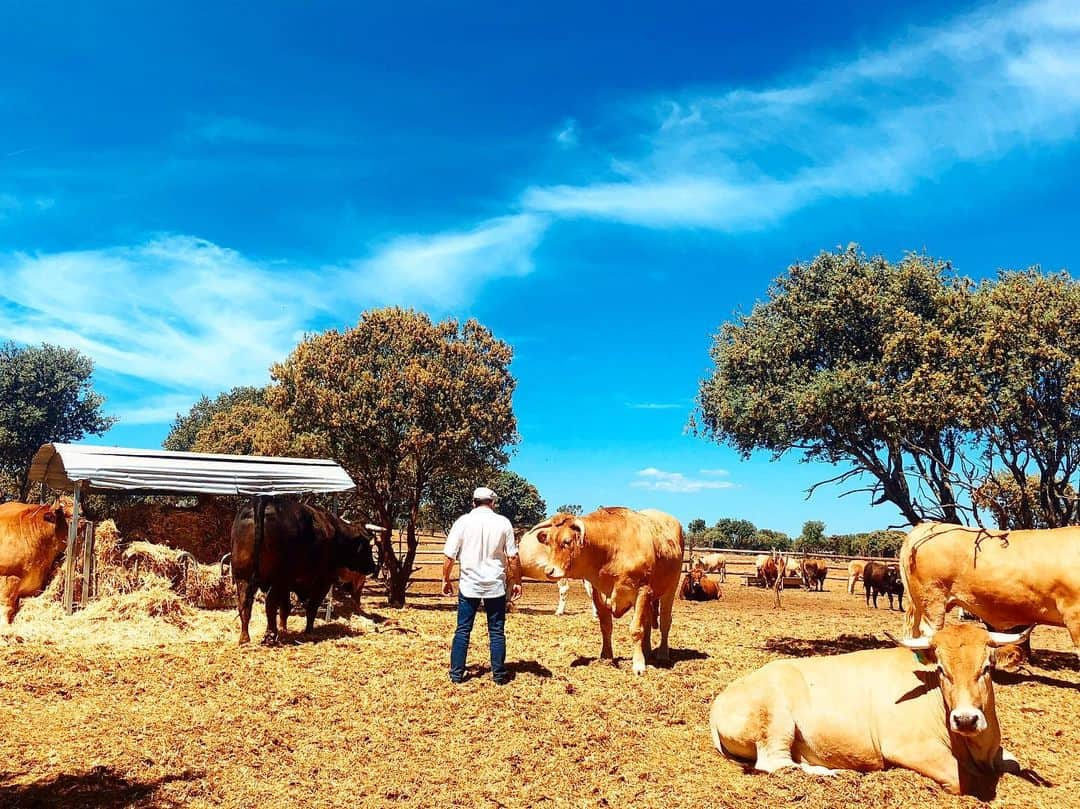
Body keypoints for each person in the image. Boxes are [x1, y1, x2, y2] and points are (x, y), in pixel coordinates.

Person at [442, 486, 522, 684]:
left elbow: (449, 555)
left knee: (462, 629)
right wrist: (517, 581)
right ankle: (499, 675)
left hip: (469, 585)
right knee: (496, 631)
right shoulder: (503, 523)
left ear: (473, 502)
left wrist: (446, 578)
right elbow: (512, 557)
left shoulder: (463, 522)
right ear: (492, 503)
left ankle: (456, 674)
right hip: (495, 585)